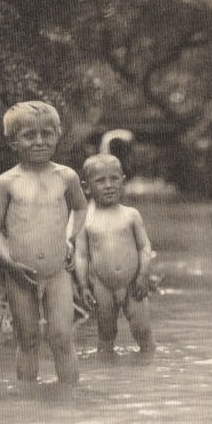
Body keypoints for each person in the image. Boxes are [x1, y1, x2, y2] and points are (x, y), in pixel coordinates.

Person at [0, 101, 87, 383]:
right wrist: (7, 260)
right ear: (12, 141)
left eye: (47, 133)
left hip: (57, 272)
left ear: (58, 134)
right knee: (28, 338)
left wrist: (71, 237)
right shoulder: (6, 182)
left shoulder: (66, 176)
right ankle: (27, 404)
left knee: (62, 337)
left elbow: (80, 208)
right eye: (30, 135)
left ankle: (70, 401)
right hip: (19, 273)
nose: (40, 141)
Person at [74, 153, 155, 359]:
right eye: (100, 181)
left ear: (123, 181)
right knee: (106, 334)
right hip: (102, 286)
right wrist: (83, 286)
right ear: (86, 187)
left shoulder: (131, 215)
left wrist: (143, 275)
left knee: (142, 331)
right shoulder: (86, 221)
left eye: (114, 178)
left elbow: (145, 247)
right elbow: (81, 256)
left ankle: (148, 368)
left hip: (132, 284)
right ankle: (106, 372)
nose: (108, 185)